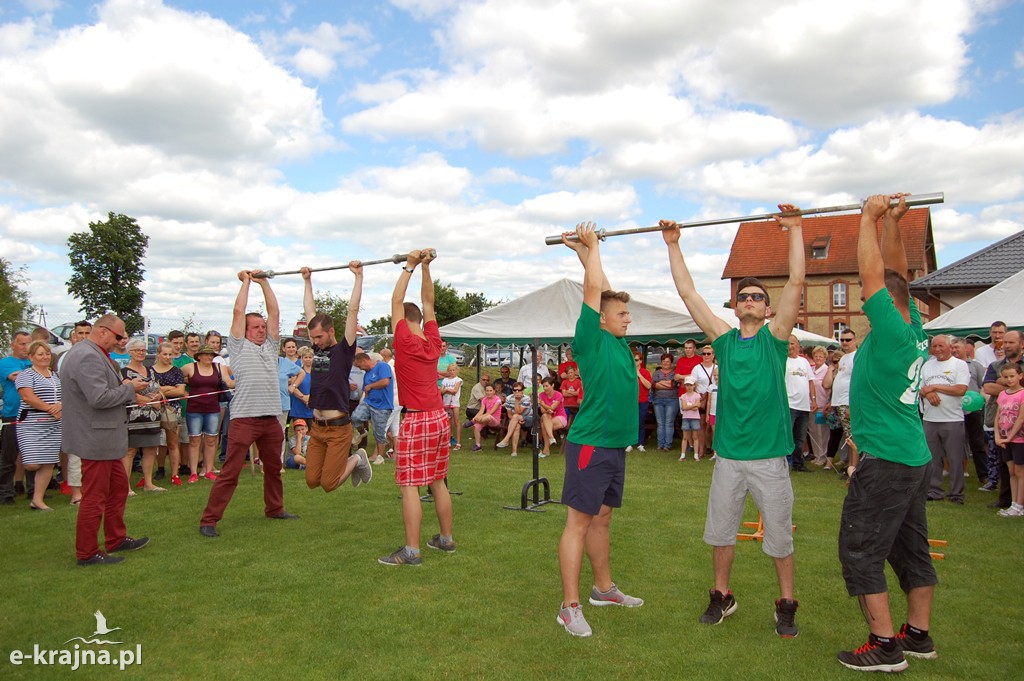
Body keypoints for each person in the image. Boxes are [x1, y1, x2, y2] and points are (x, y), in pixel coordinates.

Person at [661, 202, 804, 638]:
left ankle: (785, 603)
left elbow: (797, 281)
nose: (750, 301)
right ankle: (722, 596)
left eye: (757, 297)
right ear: (735, 305)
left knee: (778, 537)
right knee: (721, 533)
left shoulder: (775, 339)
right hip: (728, 457)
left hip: (769, 460)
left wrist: (795, 229)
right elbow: (689, 294)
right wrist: (673, 244)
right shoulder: (722, 341)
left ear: (766, 308)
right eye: (743, 296)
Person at [835, 194, 937, 672]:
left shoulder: (895, 333)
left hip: (888, 462)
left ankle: (884, 645)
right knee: (911, 547)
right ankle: (917, 634)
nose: (861, 299)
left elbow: (877, 275)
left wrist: (867, 217)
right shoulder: (913, 324)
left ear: (883, 305)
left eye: (864, 296)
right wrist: (895, 222)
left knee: (860, 550)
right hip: (911, 458)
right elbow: (897, 273)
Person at [553, 222, 643, 638]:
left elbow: (603, 289)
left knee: (602, 518)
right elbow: (594, 294)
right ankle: (569, 607)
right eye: (623, 314)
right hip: (590, 444)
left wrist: (584, 252)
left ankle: (603, 589)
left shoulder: (619, 340)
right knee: (579, 522)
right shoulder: (591, 339)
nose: (629, 318)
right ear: (603, 320)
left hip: (613, 447)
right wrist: (591, 246)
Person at [199, 270, 300, 538]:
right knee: (231, 472)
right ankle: (209, 519)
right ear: (244, 330)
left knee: (274, 469)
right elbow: (237, 311)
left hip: (270, 418)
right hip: (244, 418)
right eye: (255, 327)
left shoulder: (270, 346)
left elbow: (274, 313)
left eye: (262, 327)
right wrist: (245, 282)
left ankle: (275, 508)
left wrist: (264, 283)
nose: (261, 330)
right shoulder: (238, 346)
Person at [380, 247, 455, 566]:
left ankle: (411, 551)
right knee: (437, 479)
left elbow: (397, 302)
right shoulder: (432, 340)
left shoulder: (404, 340)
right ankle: (446, 539)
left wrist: (410, 266)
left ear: (403, 320)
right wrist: (426, 268)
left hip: (418, 419)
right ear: (420, 320)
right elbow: (429, 303)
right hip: (439, 418)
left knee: (410, 483)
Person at [61, 314, 151, 566]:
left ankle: (116, 538)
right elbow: (99, 398)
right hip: (96, 437)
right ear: (102, 331)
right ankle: (87, 553)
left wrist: (124, 385)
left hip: (104, 437)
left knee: (118, 489)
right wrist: (129, 388)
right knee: (95, 497)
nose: (121, 342)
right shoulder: (87, 355)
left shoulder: (90, 353)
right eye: (118, 336)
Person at [299, 263, 372, 493]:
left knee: (329, 484)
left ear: (331, 331)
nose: (316, 341)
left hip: (339, 427)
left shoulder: (344, 350)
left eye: (319, 336)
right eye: (313, 337)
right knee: (312, 481)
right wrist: (307, 281)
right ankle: (355, 459)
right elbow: (310, 311)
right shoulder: (318, 349)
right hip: (317, 427)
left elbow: (352, 310)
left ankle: (358, 459)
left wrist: (358, 277)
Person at [920, 335, 969, 504]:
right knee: (932, 458)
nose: (938, 349)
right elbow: (920, 388)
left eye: (941, 346)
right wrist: (928, 392)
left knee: (955, 458)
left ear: (950, 347)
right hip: (930, 418)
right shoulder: (927, 366)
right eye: (934, 346)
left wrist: (934, 387)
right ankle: (934, 490)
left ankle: (957, 493)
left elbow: (961, 389)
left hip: (952, 418)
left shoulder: (959, 365)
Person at [15, 340, 62, 511]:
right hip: (31, 424)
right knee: (33, 463)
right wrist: (50, 408)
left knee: (48, 462)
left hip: (54, 424)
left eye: (47, 353)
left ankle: (37, 499)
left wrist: (60, 406)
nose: (45, 357)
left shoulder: (55, 375)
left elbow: (66, 396)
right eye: (40, 354)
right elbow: (28, 397)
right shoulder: (26, 375)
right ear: (31, 357)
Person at [983, 331, 1024, 510]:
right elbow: (987, 387)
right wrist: (1008, 385)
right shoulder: (995, 365)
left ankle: (1019, 503)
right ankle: (1006, 500)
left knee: (1020, 466)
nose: (1006, 345)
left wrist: (1001, 383)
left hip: (1020, 424)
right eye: (1005, 342)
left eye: (1011, 342)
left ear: (1021, 344)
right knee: (1006, 465)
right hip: (1002, 423)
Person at [182, 345, 234, 483]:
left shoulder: (218, 367)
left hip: (212, 409)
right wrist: (184, 392)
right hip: (194, 409)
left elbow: (228, 382)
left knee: (211, 439)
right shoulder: (189, 367)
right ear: (199, 356)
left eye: (211, 355)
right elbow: (177, 380)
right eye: (206, 354)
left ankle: (208, 470)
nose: (209, 357)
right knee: (195, 440)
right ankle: (193, 472)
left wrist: (240, 382)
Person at [121, 338, 165, 493]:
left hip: (153, 416)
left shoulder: (151, 370)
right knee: (130, 451)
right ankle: (125, 487)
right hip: (134, 416)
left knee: (150, 449)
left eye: (143, 350)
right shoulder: (124, 372)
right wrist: (149, 401)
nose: (141, 353)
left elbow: (158, 388)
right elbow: (129, 393)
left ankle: (148, 483)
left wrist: (159, 397)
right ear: (130, 352)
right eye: (137, 350)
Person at [950, 336, 990, 487]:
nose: (954, 351)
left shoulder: (975, 366)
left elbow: (983, 386)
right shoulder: (949, 366)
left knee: (977, 443)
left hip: (973, 411)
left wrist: (979, 401)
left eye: (957, 348)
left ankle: (984, 476)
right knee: (957, 444)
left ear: (965, 348)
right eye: (952, 348)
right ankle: (957, 474)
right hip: (954, 411)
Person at [0, 331, 31, 505]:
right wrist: (37, 372)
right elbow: (16, 378)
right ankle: (5, 492)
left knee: (33, 455)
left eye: (28, 343)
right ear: (13, 345)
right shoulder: (5, 363)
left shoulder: (32, 362)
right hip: (12, 414)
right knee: (8, 457)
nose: (25, 348)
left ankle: (33, 490)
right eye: (22, 344)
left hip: (33, 415)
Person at [152, 342, 186, 487]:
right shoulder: (150, 371)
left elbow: (180, 391)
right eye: (164, 354)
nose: (167, 357)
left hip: (173, 409)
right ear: (158, 354)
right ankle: (159, 469)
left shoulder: (177, 371)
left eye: (170, 354)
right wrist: (167, 389)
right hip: (155, 408)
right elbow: (150, 391)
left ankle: (175, 473)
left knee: (173, 442)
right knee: (158, 442)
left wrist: (161, 390)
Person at [351, 351, 394, 465]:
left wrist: (371, 386)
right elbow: (366, 390)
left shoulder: (382, 366)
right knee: (355, 417)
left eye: (360, 366)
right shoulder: (367, 374)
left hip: (382, 406)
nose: (360, 369)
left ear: (364, 361)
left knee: (378, 432)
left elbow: (385, 382)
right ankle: (362, 432)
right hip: (369, 402)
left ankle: (379, 457)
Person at [994, 363, 1024, 516]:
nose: (1009, 379)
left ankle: (1020, 504)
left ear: (1020, 375)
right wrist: (998, 436)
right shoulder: (1002, 394)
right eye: (1006, 377)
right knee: (1011, 471)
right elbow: (998, 416)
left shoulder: (1022, 394)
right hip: (1005, 439)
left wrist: (1010, 438)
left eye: (1012, 376)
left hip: (1019, 440)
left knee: (1020, 472)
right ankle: (1013, 504)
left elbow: (1020, 419)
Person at [785, 335, 815, 472]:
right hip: (790, 404)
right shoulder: (783, 361)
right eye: (788, 344)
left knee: (800, 438)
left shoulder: (804, 362)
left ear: (798, 346)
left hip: (804, 405)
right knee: (787, 435)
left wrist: (813, 399)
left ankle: (798, 463)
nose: (790, 346)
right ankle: (783, 463)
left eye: (793, 344)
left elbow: (811, 381)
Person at [807, 346, 833, 467]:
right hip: (811, 405)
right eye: (816, 356)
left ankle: (823, 456)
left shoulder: (827, 370)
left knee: (822, 432)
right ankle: (817, 455)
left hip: (822, 405)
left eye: (820, 356)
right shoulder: (811, 369)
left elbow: (828, 388)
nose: (818, 358)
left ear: (825, 358)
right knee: (813, 431)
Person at [650, 353, 679, 451]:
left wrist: (660, 383)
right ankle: (660, 444)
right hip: (658, 400)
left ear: (671, 362)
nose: (665, 363)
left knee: (669, 422)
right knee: (660, 423)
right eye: (664, 361)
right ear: (661, 362)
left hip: (672, 400)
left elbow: (673, 384)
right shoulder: (657, 373)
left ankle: (667, 444)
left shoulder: (674, 373)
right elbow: (654, 385)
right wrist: (666, 383)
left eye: (667, 361)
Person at [496, 382, 532, 456]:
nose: (516, 392)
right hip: (515, 419)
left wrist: (516, 400)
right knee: (517, 425)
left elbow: (519, 412)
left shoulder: (526, 398)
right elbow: (509, 414)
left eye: (519, 390)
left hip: (528, 418)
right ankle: (514, 451)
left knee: (516, 416)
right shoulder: (509, 398)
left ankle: (506, 439)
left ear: (523, 390)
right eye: (514, 390)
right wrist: (517, 420)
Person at [538, 375, 568, 458]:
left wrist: (543, 404)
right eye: (543, 386)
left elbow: (552, 408)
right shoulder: (541, 395)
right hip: (548, 417)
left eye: (547, 386)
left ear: (552, 385)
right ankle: (551, 438)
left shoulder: (558, 395)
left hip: (560, 417)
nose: (545, 388)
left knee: (544, 425)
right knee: (544, 416)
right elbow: (543, 411)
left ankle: (546, 449)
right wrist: (548, 409)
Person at [471, 384, 503, 451]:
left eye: (490, 391)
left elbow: (491, 412)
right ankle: (478, 445)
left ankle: (472, 422)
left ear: (494, 391)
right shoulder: (484, 399)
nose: (488, 392)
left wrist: (477, 419)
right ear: (485, 391)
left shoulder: (498, 400)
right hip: (484, 420)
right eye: (487, 391)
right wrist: (475, 417)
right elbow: (481, 411)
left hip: (494, 421)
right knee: (476, 426)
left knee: (489, 417)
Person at [287, 346, 315, 423]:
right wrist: (304, 398)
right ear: (302, 358)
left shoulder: (317, 373)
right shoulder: (297, 371)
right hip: (299, 407)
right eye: (306, 357)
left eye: (310, 357)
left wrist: (311, 399)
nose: (308, 359)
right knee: (300, 433)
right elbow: (293, 387)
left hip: (313, 408)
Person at [678, 376, 702, 461]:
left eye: (690, 385)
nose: (689, 387)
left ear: (694, 385)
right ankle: (683, 454)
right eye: (687, 385)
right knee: (685, 437)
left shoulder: (697, 395)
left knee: (695, 437)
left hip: (695, 418)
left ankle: (696, 455)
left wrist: (689, 406)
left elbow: (698, 406)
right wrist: (693, 405)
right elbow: (684, 407)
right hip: (686, 417)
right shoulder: (683, 396)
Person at [440, 363, 463, 450]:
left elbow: (455, 391)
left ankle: (458, 442)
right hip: (446, 403)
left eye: (453, 370)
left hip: (455, 403)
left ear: (457, 371)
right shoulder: (445, 380)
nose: (452, 372)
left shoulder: (458, 380)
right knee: (448, 422)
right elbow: (441, 392)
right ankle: (448, 441)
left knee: (456, 421)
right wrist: (447, 390)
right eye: (450, 370)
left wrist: (446, 390)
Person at [561, 365, 584, 430]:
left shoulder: (578, 382)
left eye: (571, 372)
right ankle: (566, 430)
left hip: (576, 405)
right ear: (567, 374)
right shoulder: (564, 382)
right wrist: (574, 393)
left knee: (576, 418)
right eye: (568, 373)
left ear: (574, 372)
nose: (570, 374)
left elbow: (578, 393)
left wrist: (568, 391)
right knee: (567, 417)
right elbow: (564, 394)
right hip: (566, 405)